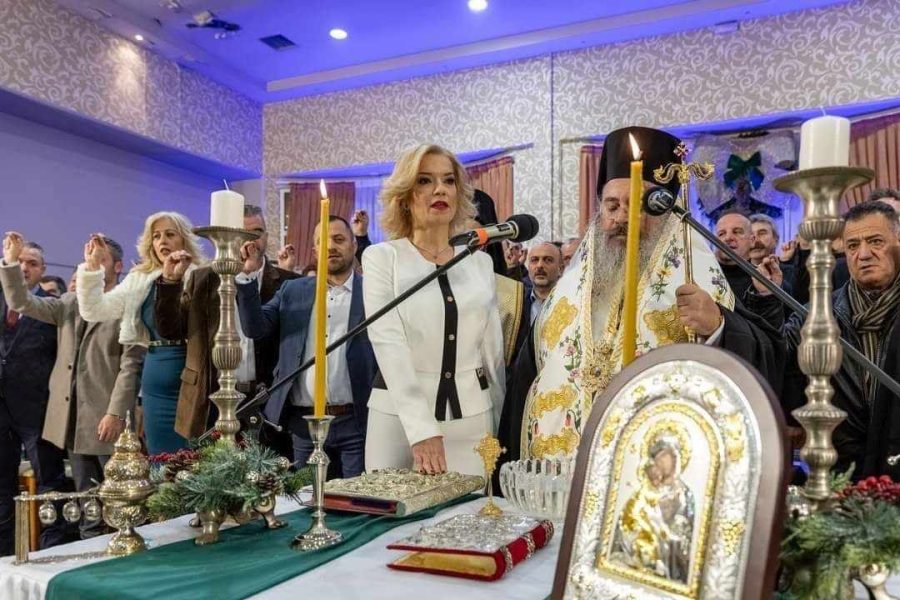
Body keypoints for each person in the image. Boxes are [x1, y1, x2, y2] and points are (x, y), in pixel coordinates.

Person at [499, 127, 783, 463]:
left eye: (637, 204)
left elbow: (768, 358)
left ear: (666, 213)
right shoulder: (568, 291)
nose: (622, 218)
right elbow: (526, 381)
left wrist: (719, 326)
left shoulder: (697, 277)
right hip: (567, 472)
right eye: (612, 205)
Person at [362, 144, 506, 476]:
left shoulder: (480, 263)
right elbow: (388, 343)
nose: (439, 189)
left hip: (473, 421)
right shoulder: (383, 258)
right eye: (425, 181)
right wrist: (421, 428)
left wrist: (501, 418)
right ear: (404, 196)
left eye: (448, 180)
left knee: (472, 509)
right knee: (392, 511)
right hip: (398, 421)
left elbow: (492, 353)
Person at [1, 233, 144, 538]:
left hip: (107, 418)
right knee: (86, 503)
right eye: (88, 259)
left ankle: (127, 550)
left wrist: (115, 413)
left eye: (100, 259)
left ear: (118, 267)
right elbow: (21, 301)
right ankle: (90, 553)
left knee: (121, 499)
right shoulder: (69, 303)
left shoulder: (126, 306)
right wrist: (11, 264)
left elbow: (130, 366)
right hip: (72, 419)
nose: (91, 265)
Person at [237, 216, 376, 477]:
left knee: (356, 496)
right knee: (307, 496)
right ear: (314, 250)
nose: (331, 246)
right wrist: (247, 276)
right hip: (304, 425)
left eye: (339, 239)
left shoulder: (372, 291)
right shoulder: (292, 290)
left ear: (354, 245)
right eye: (323, 241)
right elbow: (255, 328)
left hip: (356, 421)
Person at [154, 205, 300, 450]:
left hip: (267, 400)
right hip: (209, 398)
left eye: (257, 231)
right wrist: (170, 281)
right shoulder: (203, 278)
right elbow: (171, 331)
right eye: (243, 232)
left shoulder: (290, 282)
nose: (250, 239)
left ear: (267, 236)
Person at [783, 201, 900, 479]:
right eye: (852, 246)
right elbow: (777, 356)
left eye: (876, 241)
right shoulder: (817, 314)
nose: (863, 254)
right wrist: (763, 302)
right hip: (843, 474)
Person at [77, 212, 204, 455]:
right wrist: (93, 267)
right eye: (156, 236)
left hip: (191, 373)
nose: (162, 241)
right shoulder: (139, 278)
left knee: (191, 458)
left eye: (170, 234)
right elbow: (94, 310)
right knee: (160, 457)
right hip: (154, 376)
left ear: (184, 240)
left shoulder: (199, 275)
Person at [0, 239, 66, 555]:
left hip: (38, 411)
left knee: (48, 484)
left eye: (33, 264)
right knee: (2, 488)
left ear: (43, 270)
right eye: (20, 262)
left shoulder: (51, 307)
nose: (25, 268)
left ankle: (52, 551)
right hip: (2, 411)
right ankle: (4, 555)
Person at [713, 211, 785, 328]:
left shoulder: (764, 280)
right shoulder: (703, 274)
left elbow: (773, 333)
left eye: (737, 232)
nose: (728, 238)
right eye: (721, 234)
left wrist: (768, 296)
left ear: (752, 240)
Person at [525, 242, 563, 324]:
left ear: (560, 268)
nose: (539, 265)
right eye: (534, 260)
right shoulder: (517, 303)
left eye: (548, 260)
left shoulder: (571, 301)